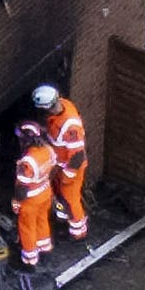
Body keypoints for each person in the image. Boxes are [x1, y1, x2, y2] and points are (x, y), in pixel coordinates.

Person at [34, 84, 89, 242]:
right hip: (61, 163)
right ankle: (64, 220)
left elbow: (77, 155)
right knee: (61, 195)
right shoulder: (62, 105)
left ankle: (78, 233)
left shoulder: (70, 126)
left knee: (71, 200)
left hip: (71, 167)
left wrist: (67, 175)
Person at [11, 123, 58, 268]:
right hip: (45, 193)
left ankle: (30, 261)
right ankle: (45, 251)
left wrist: (16, 201)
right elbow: (53, 170)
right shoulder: (49, 150)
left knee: (27, 228)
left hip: (30, 200)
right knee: (42, 221)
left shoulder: (27, 162)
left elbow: (22, 188)